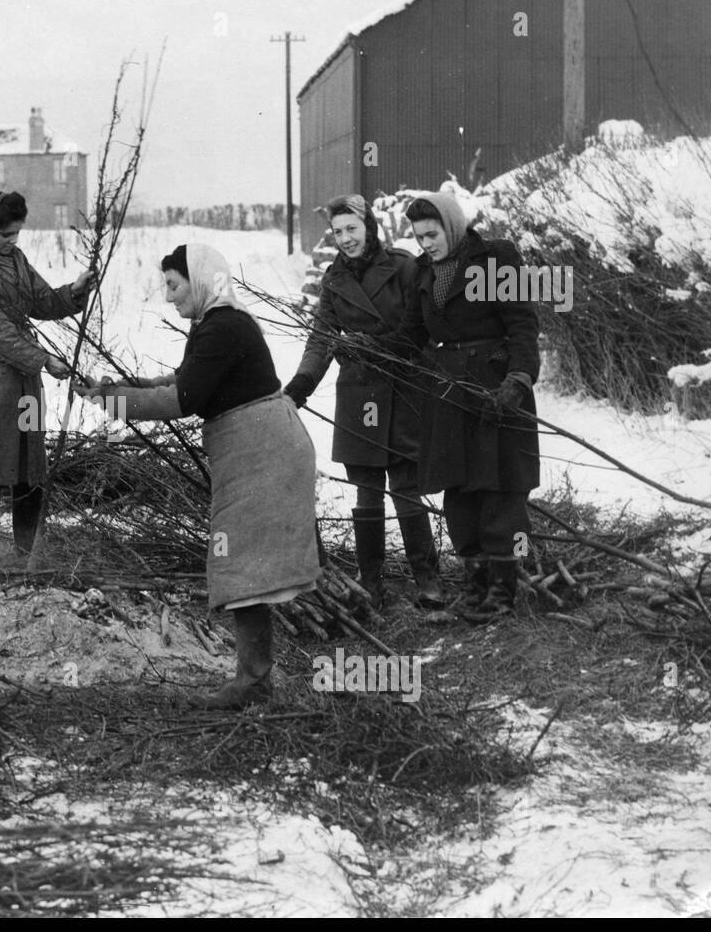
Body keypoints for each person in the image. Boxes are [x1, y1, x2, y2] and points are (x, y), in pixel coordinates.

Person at [77, 244, 321, 709]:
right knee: (242, 563)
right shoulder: (216, 324)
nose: (168, 297)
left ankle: (253, 682)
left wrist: (113, 402)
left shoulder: (223, 327)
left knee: (241, 563)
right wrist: (119, 388)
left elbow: (182, 400)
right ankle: (256, 679)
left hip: (263, 452)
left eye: (174, 285)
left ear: (201, 281)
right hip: (256, 448)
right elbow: (184, 382)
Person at [283, 193, 444, 609]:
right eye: (338, 232)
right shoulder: (333, 281)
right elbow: (321, 337)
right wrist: (301, 383)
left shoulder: (405, 266)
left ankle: (427, 577)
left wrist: (384, 349)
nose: (345, 239)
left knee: (406, 487)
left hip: (404, 385)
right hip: (359, 392)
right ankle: (371, 582)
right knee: (366, 491)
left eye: (352, 229)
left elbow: (421, 328)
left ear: (369, 226)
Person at [393, 192, 540, 621]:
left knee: (502, 489)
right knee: (458, 490)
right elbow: (410, 334)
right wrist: (367, 349)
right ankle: (474, 587)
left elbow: (523, 323)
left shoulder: (496, 258)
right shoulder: (423, 273)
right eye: (419, 237)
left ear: (452, 226)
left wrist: (519, 378)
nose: (426, 244)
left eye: (432, 234)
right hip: (448, 393)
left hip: (497, 389)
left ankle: (503, 590)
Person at [0, 190, 96, 564]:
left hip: (25, 381)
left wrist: (72, 293)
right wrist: (43, 359)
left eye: (16, 234)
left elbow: (40, 301)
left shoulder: (15, 259)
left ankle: (28, 551)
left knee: (29, 463)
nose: (12, 241)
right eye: (4, 235)